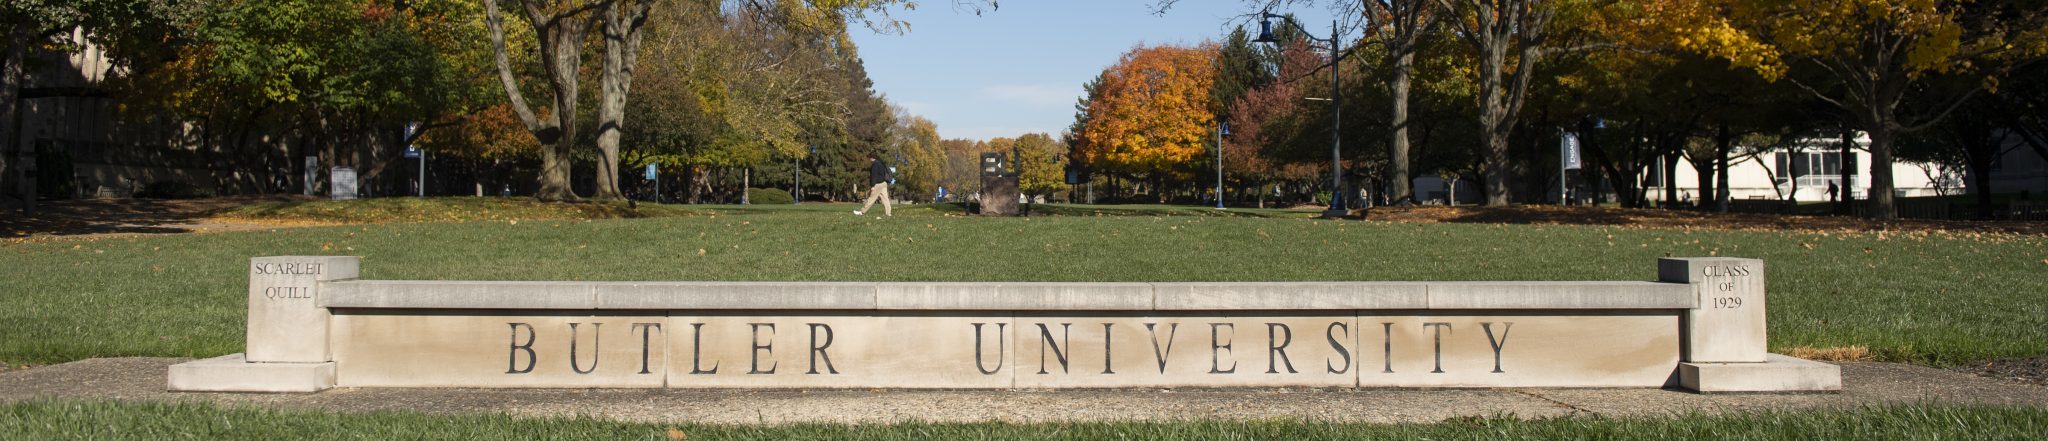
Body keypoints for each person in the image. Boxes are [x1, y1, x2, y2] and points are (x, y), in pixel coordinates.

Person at [855, 152, 893, 216]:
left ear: (872, 158)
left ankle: (862, 212)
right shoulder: (881, 163)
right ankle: (888, 213)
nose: (869, 160)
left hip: (877, 184)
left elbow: (874, 176)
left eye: (869, 158)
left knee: (871, 199)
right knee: (885, 199)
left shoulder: (875, 164)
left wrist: (872, 186)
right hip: (884, 183)